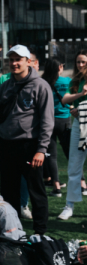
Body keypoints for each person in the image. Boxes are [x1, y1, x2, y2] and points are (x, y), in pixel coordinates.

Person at [0, 44, 54, 235]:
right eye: (11, 60)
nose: (14, 63)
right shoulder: (5, 86)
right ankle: (13, 232)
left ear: (28, 62)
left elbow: (47, 121)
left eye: (18, 59)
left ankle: (40, 233)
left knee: (36, 191)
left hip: (30, 146)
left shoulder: (40, 86)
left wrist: (41, 149)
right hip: (7, 146)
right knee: (9, 192)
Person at [57, 48, 87, 220]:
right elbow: (65, 99)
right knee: (74, 166)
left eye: (84, 61)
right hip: (79, 125)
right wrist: (79, 97)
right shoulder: (75, 81)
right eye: (78, 62)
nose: (81, 65)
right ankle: (69, 206)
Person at [41, 58, 71, 198]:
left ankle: (56, 187)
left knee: (51, 156)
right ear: (59, 67)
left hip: (48, 121)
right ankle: (81, 183)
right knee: (71, 154)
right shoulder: (67, 81)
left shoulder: (43, 82)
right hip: (64, 120)